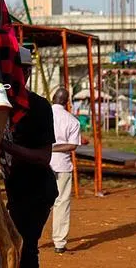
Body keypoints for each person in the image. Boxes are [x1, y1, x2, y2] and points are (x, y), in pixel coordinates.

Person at [0, 50, 57, 268]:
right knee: (6, 252)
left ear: (26, 73)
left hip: (37, 192)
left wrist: (5, 145)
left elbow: (44, 157)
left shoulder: (38, 107)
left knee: (21, 252)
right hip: (17, 192)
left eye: (15, 71)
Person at [50, 88, 82, 254]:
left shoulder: (42, 116)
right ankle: (59, 243)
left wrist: (48, 149)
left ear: (52, 98)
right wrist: (55, 148)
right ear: (67, 102)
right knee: (61, 203)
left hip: (41, 164)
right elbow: (73, 145)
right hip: (62, 165)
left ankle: (27, 238)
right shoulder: (72, 121)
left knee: (34, 202)